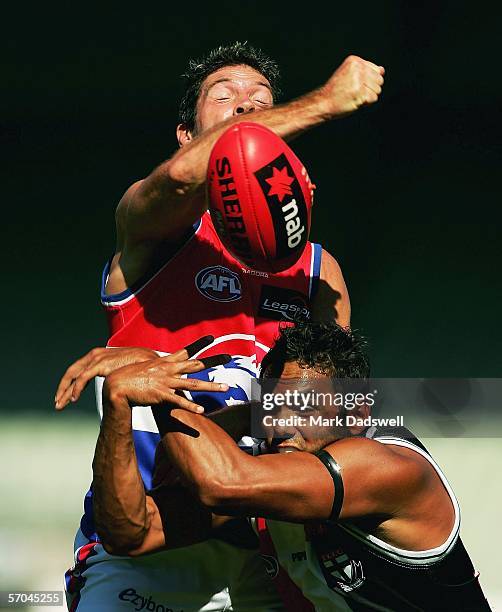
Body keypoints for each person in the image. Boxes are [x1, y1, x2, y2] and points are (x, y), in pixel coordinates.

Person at [56, 42, 385, 611]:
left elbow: (338, 414)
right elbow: (186, 178)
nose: (245, 109)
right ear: (186, 134)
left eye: (260, 101)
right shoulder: (152, 231)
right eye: (225, 97)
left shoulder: (318, 270)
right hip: (153, 536)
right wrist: (327, 102)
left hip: (272, 537)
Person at [75, 321, 490, 611]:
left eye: (306, 407)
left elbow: (221, 482)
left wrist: (165, 390)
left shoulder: (386, 467)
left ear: (357, 412)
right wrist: (118, 405)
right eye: (274, 408)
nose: (285, 425)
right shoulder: (275, 478)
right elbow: (132, 533)